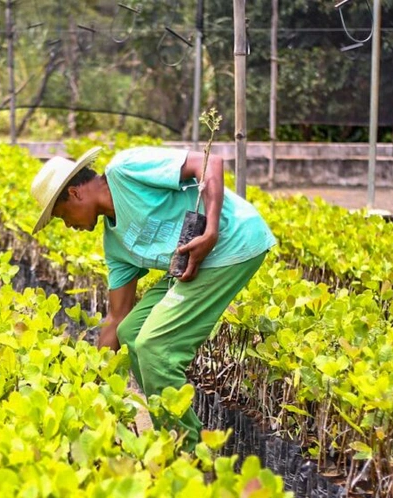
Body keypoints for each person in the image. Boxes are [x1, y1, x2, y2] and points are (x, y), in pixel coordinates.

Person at [30, 146, 276, 451]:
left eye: (61, 215)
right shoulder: (115, 245)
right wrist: (91, 390)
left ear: (76, 193)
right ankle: (169, 430)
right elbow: (117, 318)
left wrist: (210, 230)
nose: (68, 226)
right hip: (193, 263)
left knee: (154, 346)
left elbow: (209, 161)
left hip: (232, 241)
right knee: (131, 332)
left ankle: (191, 451)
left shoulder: (125, 169)